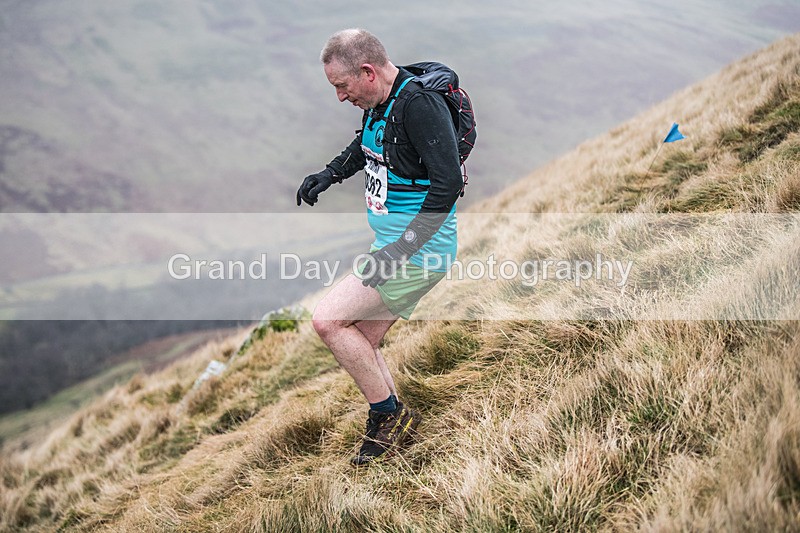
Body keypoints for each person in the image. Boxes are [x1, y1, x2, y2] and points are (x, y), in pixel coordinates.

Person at [296, 28, 465, 466]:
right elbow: (367, 147)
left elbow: (447, 185)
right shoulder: (380, 102)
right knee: (358, 341)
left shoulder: (420, 106)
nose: (339, 97)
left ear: (367, 72)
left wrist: (399, 251)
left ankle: (388, 416)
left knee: (328, 320)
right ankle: (396, 426)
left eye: (341, 86)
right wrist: (330, 174)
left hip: (418, 249)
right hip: (396, 245)